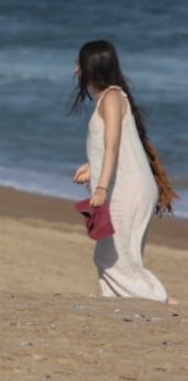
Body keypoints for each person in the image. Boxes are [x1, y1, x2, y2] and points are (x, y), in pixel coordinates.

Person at [71, 39, 178, 304]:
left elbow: (113, 146)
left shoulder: (111, 97)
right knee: (124, 256)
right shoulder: (110, 98)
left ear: (92, 67)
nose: (75, 70)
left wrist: (100, 188)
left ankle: (157, 299)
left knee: (110, 258)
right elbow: (111, 147)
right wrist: (91, 167)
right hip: (126, 186)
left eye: (79, 64)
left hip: (126, 190)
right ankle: (121, 303)